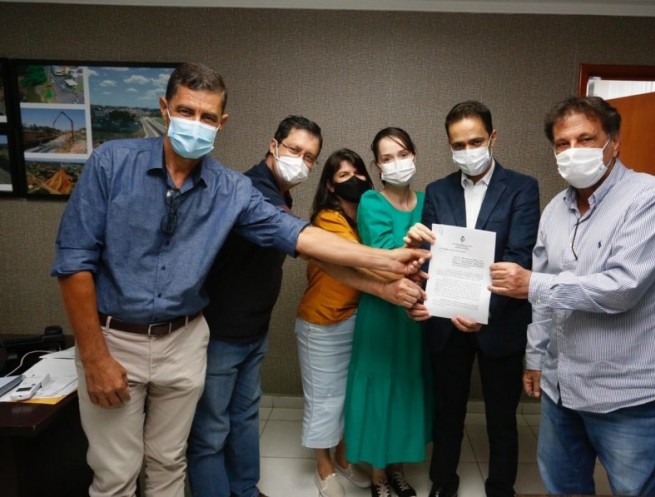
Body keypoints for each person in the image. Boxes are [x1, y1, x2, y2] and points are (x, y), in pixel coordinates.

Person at [50, 62, 428, 497]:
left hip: (187, 339)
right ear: (165, 109)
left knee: (169, 463)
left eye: (208, 116)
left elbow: (299, 237)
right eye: (186, 111)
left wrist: (385, 267)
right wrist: (94, 356)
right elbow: (74, 261)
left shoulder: (229, 188)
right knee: (119, 472)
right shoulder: (113, 163)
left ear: (222, 123)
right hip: (122, 338)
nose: (196, 123)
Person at [489, 96, 655, 497]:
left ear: (614, 142)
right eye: (563, 144)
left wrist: (532, 284)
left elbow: (622, 288)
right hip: (562, 389)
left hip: (630, 396)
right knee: (564, 488)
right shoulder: (554, 211)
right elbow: (545, 299)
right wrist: (536, 358)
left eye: (586, 139)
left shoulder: (651, 198)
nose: (573, 151)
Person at [404, 101, 540, 497]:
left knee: (502, 416)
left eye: (475, 142)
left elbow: (519, 255)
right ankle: (443, 481)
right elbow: (430, 255)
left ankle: (501, 486)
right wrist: (419, 270)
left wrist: (483, 311)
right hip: (447, 321)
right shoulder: (438, 190)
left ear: (492, 138)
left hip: (501, 320)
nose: (468, 151)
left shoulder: (522, 188)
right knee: (448, 410)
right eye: (458, 145)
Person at [186, 115, 323, 497]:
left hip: (253, 330)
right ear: (273, 145)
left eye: (309, 157)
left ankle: (245, 489)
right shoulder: (249, 189)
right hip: (221, 332)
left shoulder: (280, 191)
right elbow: (299, 242)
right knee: (211, 430)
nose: (300, 161)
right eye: (295, 149)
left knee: (245, 417)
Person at [296, 148, 426, 497]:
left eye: (357, 173)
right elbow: (359, 261)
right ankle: (323, 467)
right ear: (330, 186)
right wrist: (400, 275)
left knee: (348, 396)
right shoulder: (328, 219)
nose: (353, 180)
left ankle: (344, 458)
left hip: (357, 316)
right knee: (324, 398)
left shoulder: (363, 214)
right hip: (322, 320)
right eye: (343, 176)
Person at [345, 128, 432, 497]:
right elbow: (383, 259)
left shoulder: (428, 201)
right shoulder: (371, 202)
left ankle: (397, 468)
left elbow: (441, 257)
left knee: (407, 387)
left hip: (417, 315)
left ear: (414, 155)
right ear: (378, 165)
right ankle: (379, 475)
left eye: (402, 154)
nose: (396, 163)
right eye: (386, 158)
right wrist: (413, 244)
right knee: (380, 388)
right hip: (382, 312)